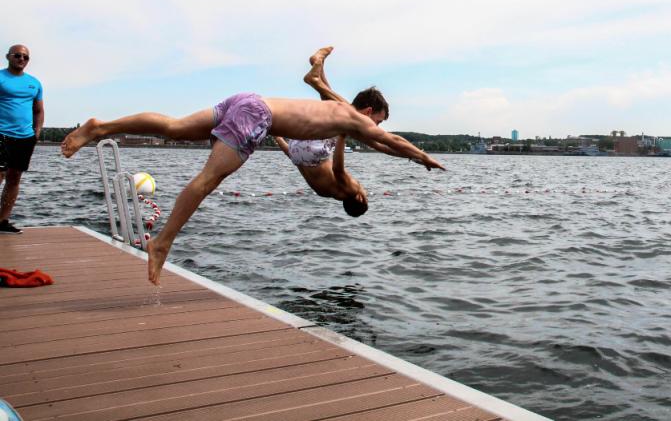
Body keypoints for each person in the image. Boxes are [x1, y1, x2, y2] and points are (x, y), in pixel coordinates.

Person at [61, 78, 444, 285]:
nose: (375, 127)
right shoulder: (356, 120)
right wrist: (424, 157)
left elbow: (385, 145)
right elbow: (390, 142)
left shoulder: (339, 110)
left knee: (175, 127)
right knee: (208, 179)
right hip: (256, 116)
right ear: (369, 111)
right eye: (377, 119)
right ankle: (162, 243)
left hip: (247, 98)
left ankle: (100, 126)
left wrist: (417, 160)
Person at [273, 46, 382, 217]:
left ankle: (317, 76)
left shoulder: (352, 191)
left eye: (367, 195)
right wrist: (278, 137)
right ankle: (319, 69)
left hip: (315, 152)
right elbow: (299, 160)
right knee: (333, 110)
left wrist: (342, 135)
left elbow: (338, 169)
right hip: (297, 151)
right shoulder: (325, 193)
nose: (366, 191)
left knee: (347, 115)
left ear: (361, 199)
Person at [0, 44, 44, 235]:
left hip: (25, 138)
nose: (21, 59)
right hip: (1, 134)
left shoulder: (34, 83)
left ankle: (2, 221)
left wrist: (37, 133)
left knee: (14, 178)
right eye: (17, 55)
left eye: (25, 57)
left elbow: (39, 110)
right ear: (8, 57)